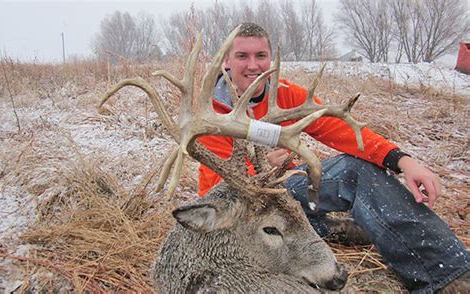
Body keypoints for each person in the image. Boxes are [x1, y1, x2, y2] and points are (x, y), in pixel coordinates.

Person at [196, 22, 469, 293]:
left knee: (354, 169)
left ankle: (447, 274)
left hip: (283, 194)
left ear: (271, 59)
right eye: (242, 56)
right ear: (227, 61)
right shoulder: (210, 114)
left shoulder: (286, 94)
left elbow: (343, 130)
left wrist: (401, 160)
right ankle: (320, 228)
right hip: (238, 213)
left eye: (261, 56)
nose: (253, 66)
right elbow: (218, 194)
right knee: (344, 177)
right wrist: (263, 167)